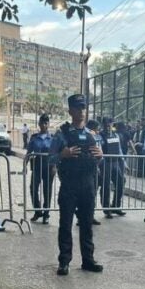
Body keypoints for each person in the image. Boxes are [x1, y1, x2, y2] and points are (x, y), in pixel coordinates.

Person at [49, 94, 104, 276]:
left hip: (88, 184)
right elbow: (50, 157)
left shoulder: (92, 135)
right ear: (70, 111)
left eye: (83, 108)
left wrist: (100, 156)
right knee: (66, 224)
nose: (81, 112)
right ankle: (64, 261)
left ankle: (88, 260)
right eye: (77, 108)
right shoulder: (62, 133)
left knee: (87, 224)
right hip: (69, 184)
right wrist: (62, 155)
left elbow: (96, 159)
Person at [27, 114, 55, 224]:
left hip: (49, 166)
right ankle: (37, 211)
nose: (44, 125)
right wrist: (25, 164)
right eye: (42, 123)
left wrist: (55, 166)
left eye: (46, 123)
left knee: (47, 190)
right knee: (33, 188)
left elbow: (56, 153)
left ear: (48, 124)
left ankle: (46, 214)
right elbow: (29, 152)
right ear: (39, 124)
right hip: (37, 165)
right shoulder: (34, 137)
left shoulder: (52, 138)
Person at [99, 117, 126, 219]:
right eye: (106, 124)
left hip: (115, 162)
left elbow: (119, 150)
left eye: (110, 124)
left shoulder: (116, 135)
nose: (108, 126)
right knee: (105, 186)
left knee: (120, 182)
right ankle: (107, 209)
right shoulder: (100, 135)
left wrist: (124, 162)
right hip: (105, 163)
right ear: (103, 125)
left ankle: (116, 206)